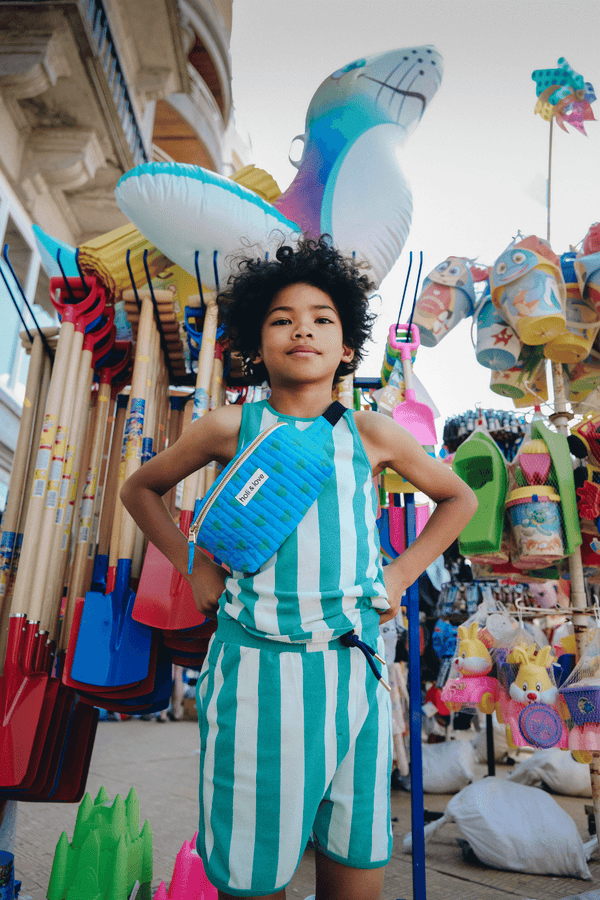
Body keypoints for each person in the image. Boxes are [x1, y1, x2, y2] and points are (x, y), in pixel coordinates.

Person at [121, 236, 477, 900]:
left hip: (355, 675)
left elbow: (460, 498)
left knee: (358, 863)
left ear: (347, 347)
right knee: (252, 879)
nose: (302, 329)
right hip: (255, 678)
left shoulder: (370, 432)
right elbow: (139, 490)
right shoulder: (228, 426)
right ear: (259, 342)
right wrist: (192, 563)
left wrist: (399, 576)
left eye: (321, 317)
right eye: (282, 318)